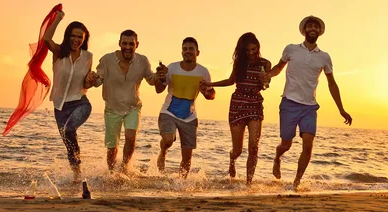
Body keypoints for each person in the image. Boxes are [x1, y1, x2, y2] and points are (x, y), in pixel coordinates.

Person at [266, 15, 353, 190]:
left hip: (309, 107)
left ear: (320, 32)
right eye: (309, 26)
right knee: (286, 144)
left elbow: (332, 83)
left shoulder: (325, 57)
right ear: (304, 30)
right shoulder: (291, 49)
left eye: (316, 27)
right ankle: (278, 156)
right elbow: (277, 67)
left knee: (308, 144)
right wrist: (267, 75)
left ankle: (296, 182)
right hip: (289, 103)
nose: (312, 28)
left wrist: (341, 110)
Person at [85, 30, 164, 172]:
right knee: (112, 147)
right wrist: (92, 77)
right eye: (125, 43)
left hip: (133, 107)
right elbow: (98, 81)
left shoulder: (143, 61)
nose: (128, 47)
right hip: (112, 108)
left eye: (131, 44)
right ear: (119, 43)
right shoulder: (107, 60)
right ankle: (111, 173)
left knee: (130, 138)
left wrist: (159, 75)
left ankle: (124, 169)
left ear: (137, 45)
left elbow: (151, 80)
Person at [200, 32, 270, 184]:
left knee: (254, 147)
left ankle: (248, 183)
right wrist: (210, 84)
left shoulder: (265, 64)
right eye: (247, 50)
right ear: (242, 51)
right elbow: (231, 81)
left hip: (255, 104)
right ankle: (232, 158)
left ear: (258, 48)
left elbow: (265, 86)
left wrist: (265, 81)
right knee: (238, 150)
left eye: (253, 49)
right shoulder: (239, 64)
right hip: (238, 104)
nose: (251, 53)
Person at [42, 10, 93, 182]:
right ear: (68, 36)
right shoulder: (59, 52)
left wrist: (90, 80)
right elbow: (46, 39)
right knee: (69, 143)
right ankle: (77, 176)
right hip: (59, 107)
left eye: (80, 37)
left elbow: (85, 84)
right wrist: (58, 18)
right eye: (73, 36)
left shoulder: (88, 56)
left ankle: (77, 175)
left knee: (69, 130)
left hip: (81, 103)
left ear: (84, 39)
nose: (76, 40)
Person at [156, 37, 215, 178]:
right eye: (185, 49)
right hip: (168, 112)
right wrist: (160, 77)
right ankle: (163, 151)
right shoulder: (172, 68)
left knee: (187, 157)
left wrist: (206, 91)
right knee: (169, 139)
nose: (187, 51)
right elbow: (159, 90)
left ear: (197, 52)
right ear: (181, 51)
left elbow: (211, 95)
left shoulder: (203, 71)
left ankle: (181, 183)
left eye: (191, 49)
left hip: (189, 117)